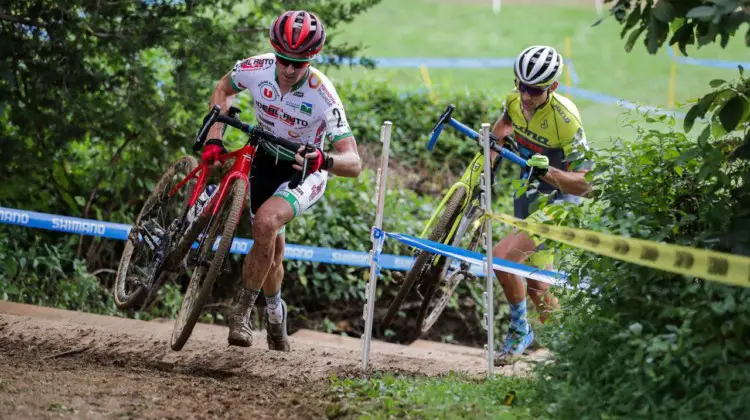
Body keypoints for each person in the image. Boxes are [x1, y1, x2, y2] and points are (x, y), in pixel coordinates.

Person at [199, 10, 362, 351]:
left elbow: (354, 162)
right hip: (264, 159)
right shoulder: (256, 68)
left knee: (265, 223)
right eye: (283, 60)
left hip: (304, 171)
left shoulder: (322, 93)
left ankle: (241, 313)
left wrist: (324, 159)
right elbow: (222, 89)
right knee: (271, 255)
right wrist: (215, 137)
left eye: (299, 64)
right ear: (274, 52)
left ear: (311, 60)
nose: (289, 69)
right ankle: (275, 313)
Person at [490, 45, 592, 365]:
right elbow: (500, 131)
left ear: (553, 86)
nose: (525, 95)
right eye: (521, 85)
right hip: (528, 196)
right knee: (536, 284)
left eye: (534, 90)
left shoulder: (566, 120)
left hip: (560, 203)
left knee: (502, 259)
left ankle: (521, 331)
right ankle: (571, 354)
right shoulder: (513, 101)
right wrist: (489, 164)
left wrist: (549, 172)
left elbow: (588, 184)